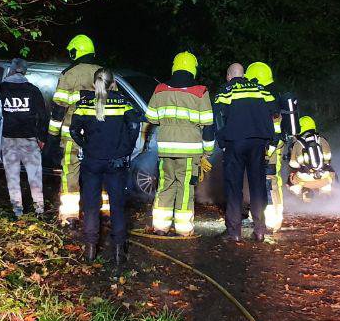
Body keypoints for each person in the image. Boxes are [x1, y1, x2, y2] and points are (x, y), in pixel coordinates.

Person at [70, 68, 143, 265]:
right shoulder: (123, 103)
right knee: (117, 206)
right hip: (116, 163)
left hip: (92, 162)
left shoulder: (85, 104)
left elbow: (74, 130)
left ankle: (90, 250)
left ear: (94, 84)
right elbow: (134, 126)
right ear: (113, 84)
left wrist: (87, 145)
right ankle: (119, 253)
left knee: (91, 206)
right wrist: (125, 149)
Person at [145, 52, 215, 236]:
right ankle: (183, 229)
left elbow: (151, 117)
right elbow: (208, 125)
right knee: (185, 188)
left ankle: (160, 227)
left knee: (165, 185)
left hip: (165, 149)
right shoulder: (200, 92)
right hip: (190, 151)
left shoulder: (160, 89)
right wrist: (208, 151)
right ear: (193, 68)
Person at [214, 61, 278, 242]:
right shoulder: (260, 89)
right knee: (258, 185)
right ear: (243, 75)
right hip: (258, 143)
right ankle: (260, 230)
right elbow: (274, 110)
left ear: (229, 76)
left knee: (234, 186)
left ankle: (234, 232)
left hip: (234, 142)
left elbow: (217, 118)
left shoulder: (225, 91)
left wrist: (221, 142)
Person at [49, 34, 102, 223]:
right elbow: (115, 107)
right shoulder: (104, 74)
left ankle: (70, 216)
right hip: (98, 136)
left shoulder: (69, 74)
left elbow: (59, 109)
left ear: (75, 52)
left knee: (70, 173)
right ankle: (100, 212)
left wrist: (52, 136)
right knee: (98, 172)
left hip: (72, 135)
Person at [0, 58, 49, 218]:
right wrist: (42, 138)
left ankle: (17, 212)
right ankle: (39, 211)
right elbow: (43, 116)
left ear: (12, 70)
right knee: (35, 176)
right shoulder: (33, 90)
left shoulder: (2, 88)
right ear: (25, 71)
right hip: (29, 139)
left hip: (9, 139)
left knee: (12, 176)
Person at [247, 62, 288, 235]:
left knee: (269, 180)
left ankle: (271, 221)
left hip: (270, 147)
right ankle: (259, 217)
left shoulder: (267, 99)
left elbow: (275, 130)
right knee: (263, 180)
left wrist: (268, 150)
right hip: (267, 146)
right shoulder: (270, 96)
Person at [288, 115, 337, 199]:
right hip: (324, 178)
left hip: (304, 180)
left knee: (291, 176)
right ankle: (326, 192)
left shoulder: (298, 143)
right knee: (332, 172)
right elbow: (328, 157)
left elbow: (293, 164)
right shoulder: (322, 139)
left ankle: (301, 194)